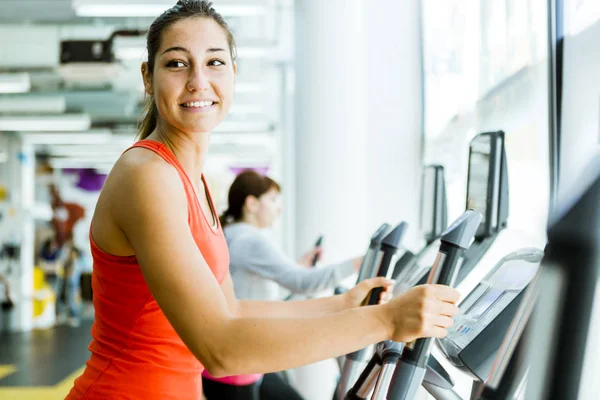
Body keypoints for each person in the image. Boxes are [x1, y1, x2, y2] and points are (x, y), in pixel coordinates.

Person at [66, 2, 460, 399]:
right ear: (148, 78)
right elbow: (220, 349)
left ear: (233, 74)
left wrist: (341, 305)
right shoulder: (147, 175)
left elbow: (233, 310)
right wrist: (386, 321)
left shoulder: (191, 180)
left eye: (215, 62)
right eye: (176, 64)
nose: (198, 81)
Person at [202, 170, 364, 399]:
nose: (279, 208)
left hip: (234, 357)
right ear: (251, 203)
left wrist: (297, 265)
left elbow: (249, 289)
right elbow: (304, 284)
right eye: (273, 200)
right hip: (239, 363)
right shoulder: (251, 240)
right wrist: (358, 263)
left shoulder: (230, 234)